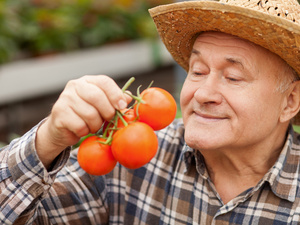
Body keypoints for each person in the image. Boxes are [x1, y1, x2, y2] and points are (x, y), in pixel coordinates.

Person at [1, 0, 300, 224]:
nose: (203, 93)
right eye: (197, 71)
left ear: (290, 101)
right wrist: (48, 141)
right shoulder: (132, 159)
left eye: (233, 77)